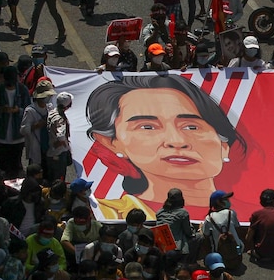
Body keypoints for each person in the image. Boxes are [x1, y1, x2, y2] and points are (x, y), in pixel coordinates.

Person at [85, 74, 245, 219]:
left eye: (191, 127)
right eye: (148, 127)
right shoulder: (106, 214)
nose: (176, 141)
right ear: (111, 142)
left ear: (224, 144)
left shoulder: (252, 214)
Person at [246, 188, 274, 263]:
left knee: (254, 228)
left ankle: (256, 253)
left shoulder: (256, 214)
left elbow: (248, 237)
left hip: (261, 251)